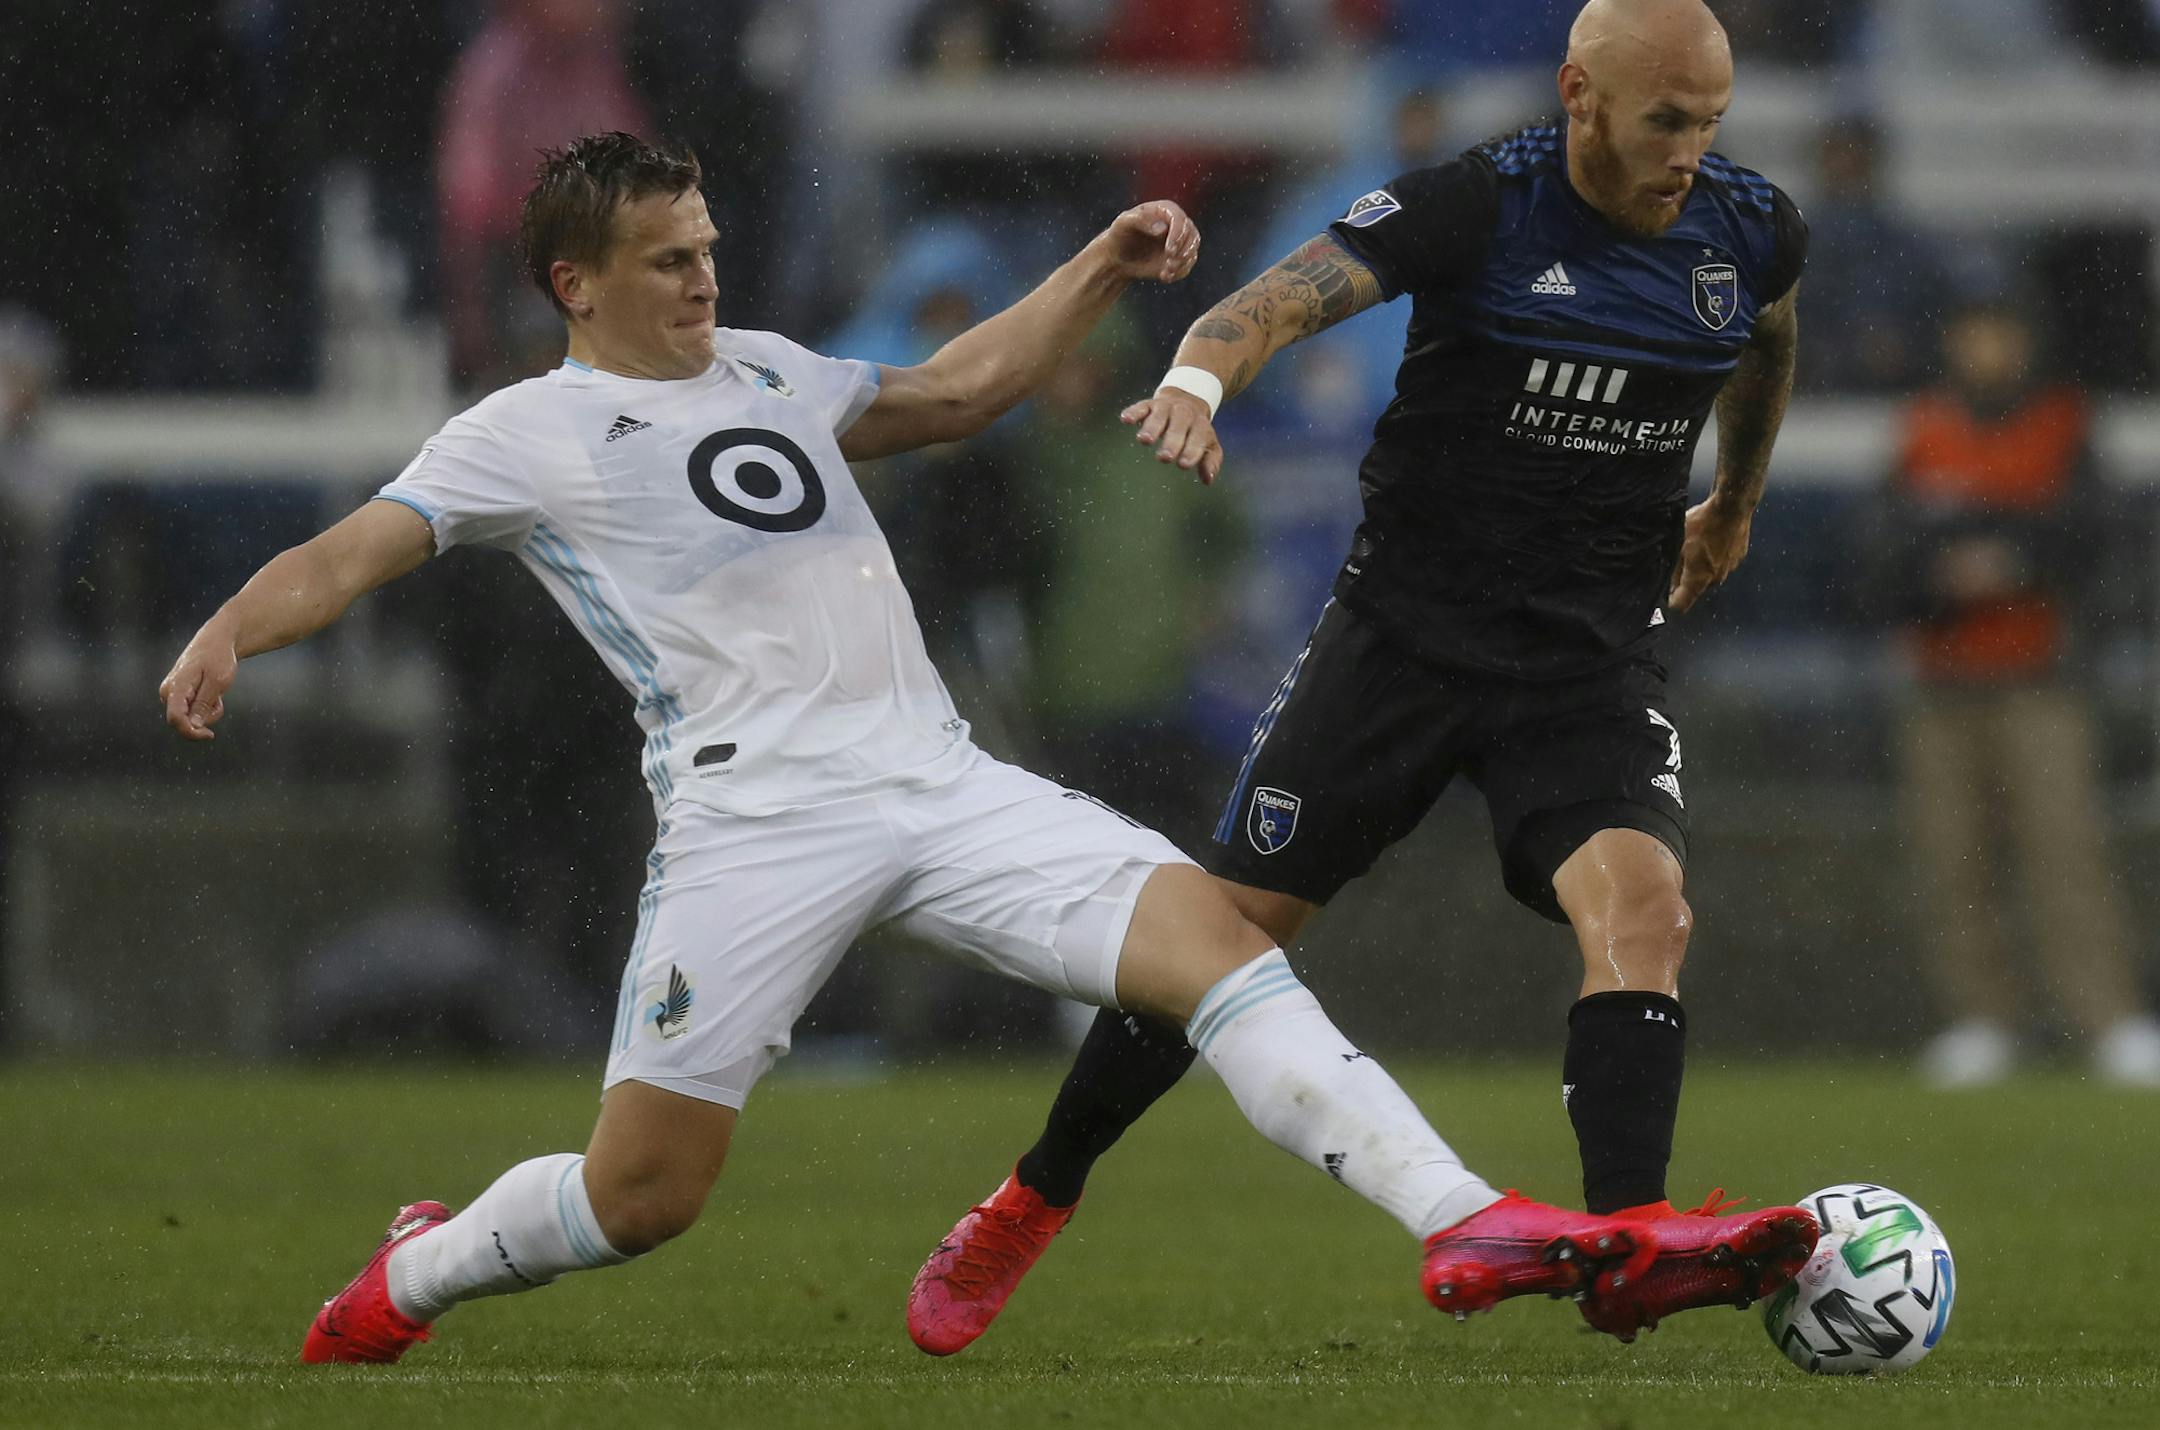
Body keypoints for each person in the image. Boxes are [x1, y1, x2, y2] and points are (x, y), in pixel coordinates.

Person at [159, 131, 1678, 1366]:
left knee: (1217, 942)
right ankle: (415, 1271)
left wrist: (1095, 267)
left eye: (706, 247)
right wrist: (230, 626)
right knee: (642, 1196)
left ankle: (1461, 1217)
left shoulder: (764, 367)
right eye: (669, 259)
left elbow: (954, 391)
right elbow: (352, 551)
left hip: (940, 781)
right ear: (576, 282)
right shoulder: (524, 431)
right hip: (754, 822)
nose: (703, 277)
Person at [909, 0, 1820, 1353]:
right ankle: (1034, 1193)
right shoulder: (1478, 206)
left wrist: (1733, 502)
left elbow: (1768, 337)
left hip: (1584, 661)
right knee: (1225, 935)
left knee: (1647, 907)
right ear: (1579, 93)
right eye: (1665, 121)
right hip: (1402, 644)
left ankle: (1631, 1239)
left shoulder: (1748, 227)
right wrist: (1196, 389)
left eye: (1711, 123)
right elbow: (1269, 302)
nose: (1690, 152)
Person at [1870, 294, 2160, 1089]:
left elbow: (2097, 537)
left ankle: (2108, 1016)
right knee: (1952, 858)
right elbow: (1882, 552)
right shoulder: (1922, 427)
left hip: (2041, 680)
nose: (1988, 351)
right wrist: (1943, 576)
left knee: (2065, 852)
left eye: (2001, 335)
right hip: (1941, 681)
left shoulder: (2064, 425)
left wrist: (2016, 560)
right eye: (1975, 336)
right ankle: (1986, 1016)